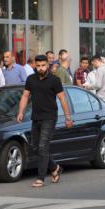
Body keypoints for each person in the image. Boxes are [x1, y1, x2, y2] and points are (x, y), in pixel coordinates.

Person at [16, 55, 71, 188]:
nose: (40, 68)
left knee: (42, 146)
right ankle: (55, 168)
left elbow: (63, 99)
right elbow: (25, 95)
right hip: (36, 117)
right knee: (35, 147)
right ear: (35, 65)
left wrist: (68, 117)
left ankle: (40, 178)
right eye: (38, 66)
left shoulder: (54, 80)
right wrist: (21, 112)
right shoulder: (31, 79)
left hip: (50, 117)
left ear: (48, 65)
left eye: (43, 65)